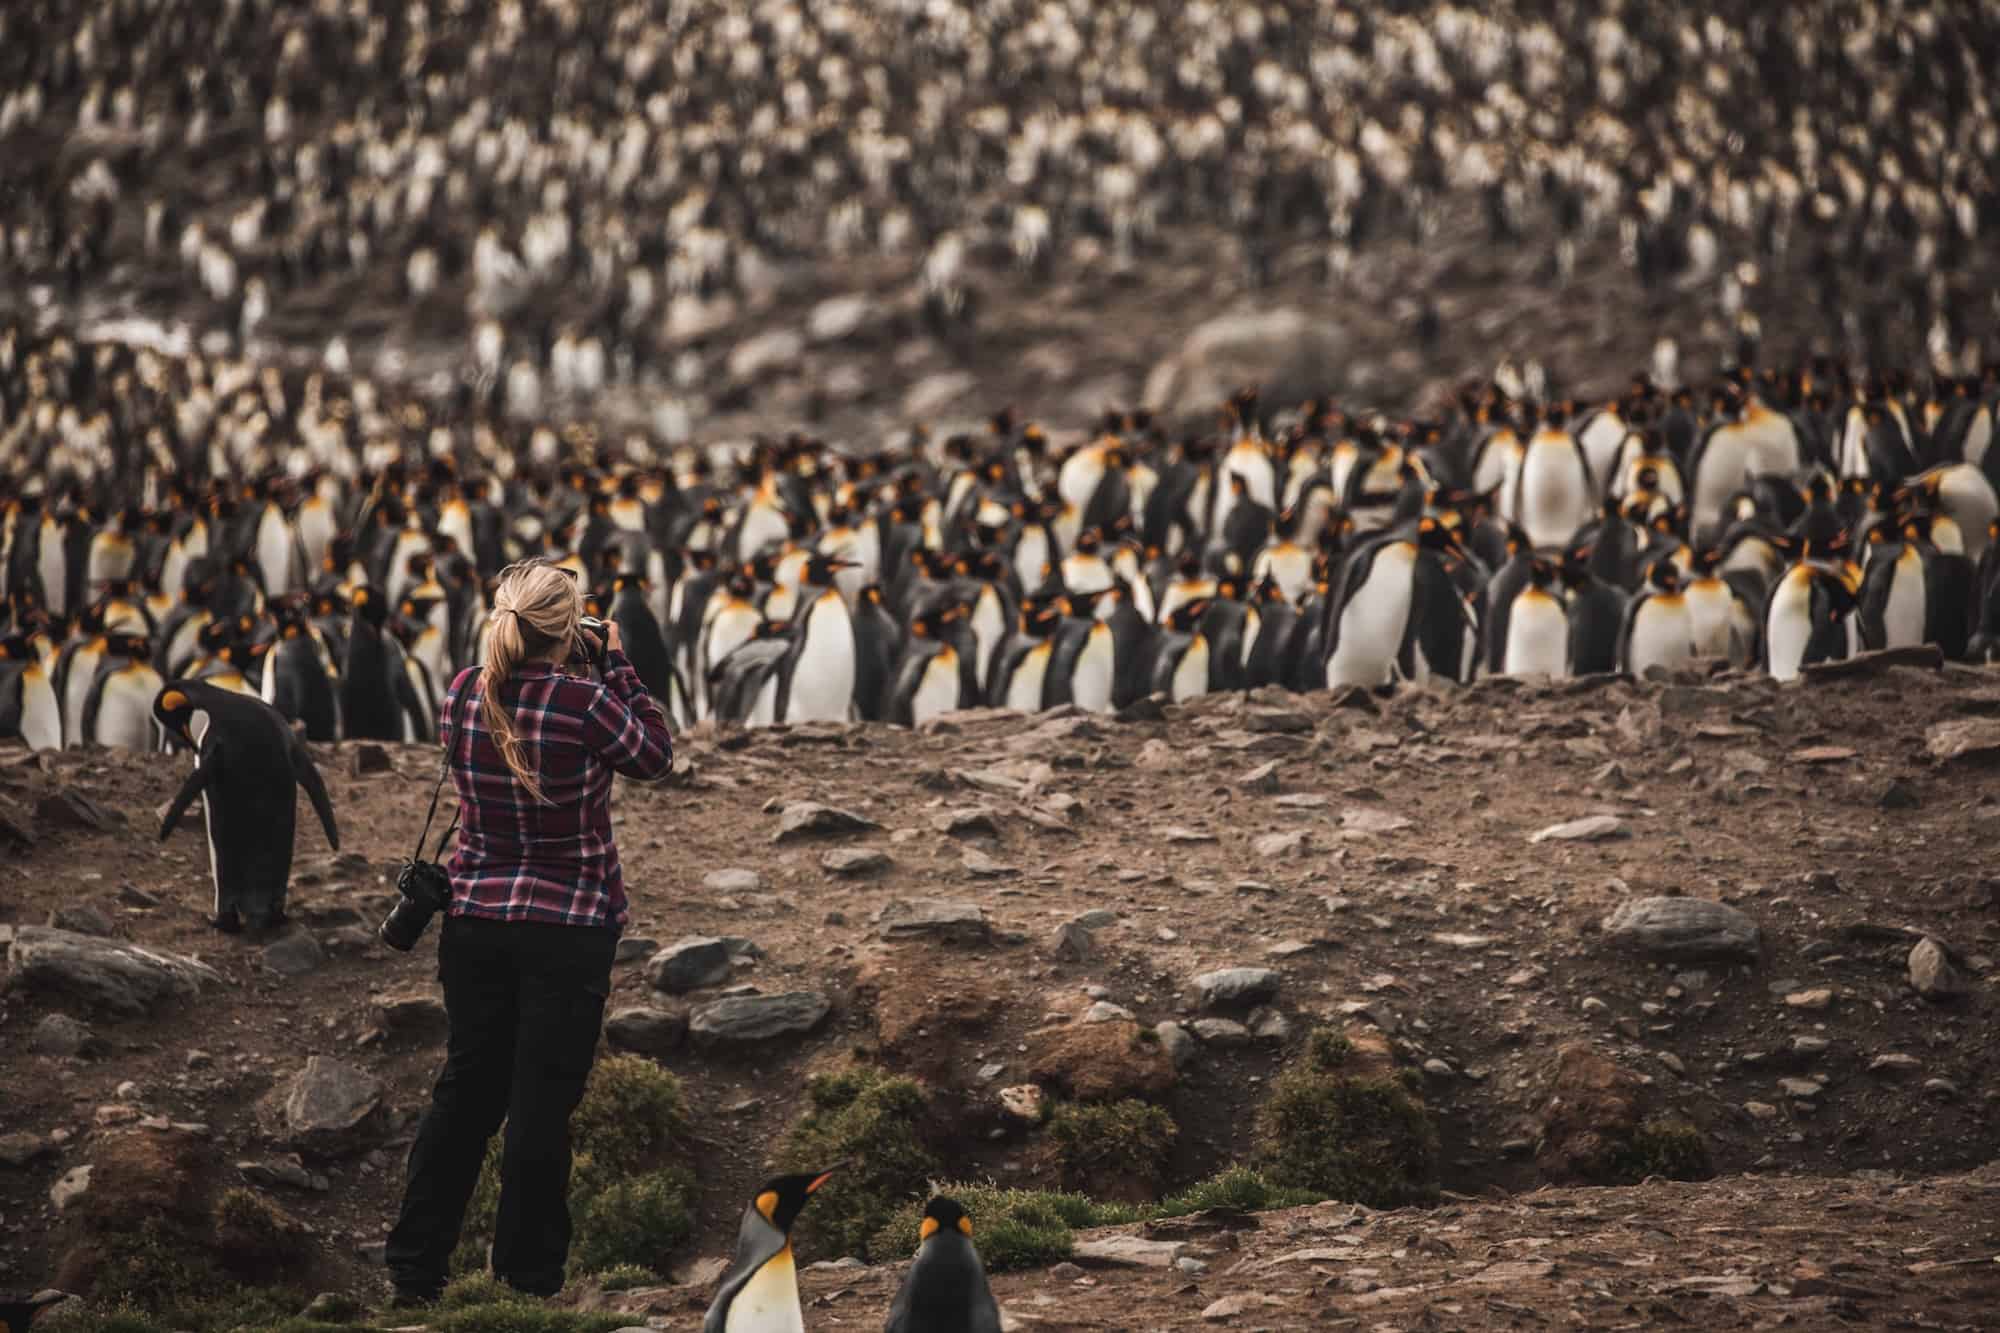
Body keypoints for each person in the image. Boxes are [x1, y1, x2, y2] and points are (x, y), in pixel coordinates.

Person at [385, 558, 673, 1306]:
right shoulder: (585, 703)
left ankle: (415, 1270)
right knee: (540, 1107)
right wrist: (616, 663)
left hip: (475, 921)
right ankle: (525, 1280)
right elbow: (655, 752)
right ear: (566, 627)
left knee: (465, 1094)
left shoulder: (460, 692)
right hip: (569, 926)